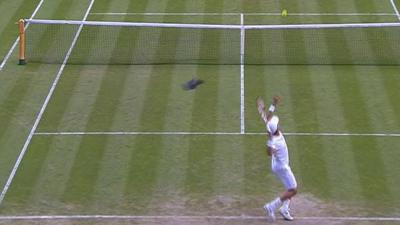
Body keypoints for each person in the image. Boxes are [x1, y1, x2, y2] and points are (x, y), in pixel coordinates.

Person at [257, 96, 298, 221]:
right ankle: (271, 206)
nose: (279, 124)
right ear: (276, 128)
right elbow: (268, 153)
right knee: (293, 189)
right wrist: (269, 142)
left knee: (289, 187)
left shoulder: (271, 127)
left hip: (277, 165)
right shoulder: (275, 140)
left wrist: (273, 104)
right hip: (282, 167)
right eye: (278, 124)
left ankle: (285, 210)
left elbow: (268, 115)